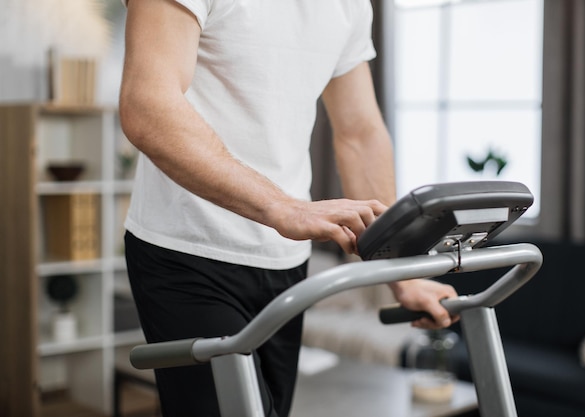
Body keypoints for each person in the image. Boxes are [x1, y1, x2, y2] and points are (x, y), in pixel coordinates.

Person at [119, 1, 459, 416]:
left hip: (286, 264)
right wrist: (282, 205)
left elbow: (359, 133)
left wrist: (400, 270)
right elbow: (147, 104)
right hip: (188, 251)